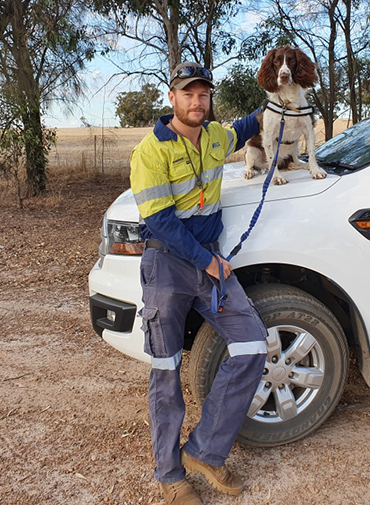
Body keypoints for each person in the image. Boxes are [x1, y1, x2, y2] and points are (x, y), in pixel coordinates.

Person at [129, 62, 268, 505]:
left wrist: (279, 103)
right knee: (167, 370)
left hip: (209, 265)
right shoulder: (149, 152)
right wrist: (208, 261)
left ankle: (204, 451)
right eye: (188, 93)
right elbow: (162, 223)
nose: (197, 101)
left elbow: (248, 125)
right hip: (168, 265)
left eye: (203, 94)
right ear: (172, 98)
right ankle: (170, 475)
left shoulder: (215, 137)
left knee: (252, 345)